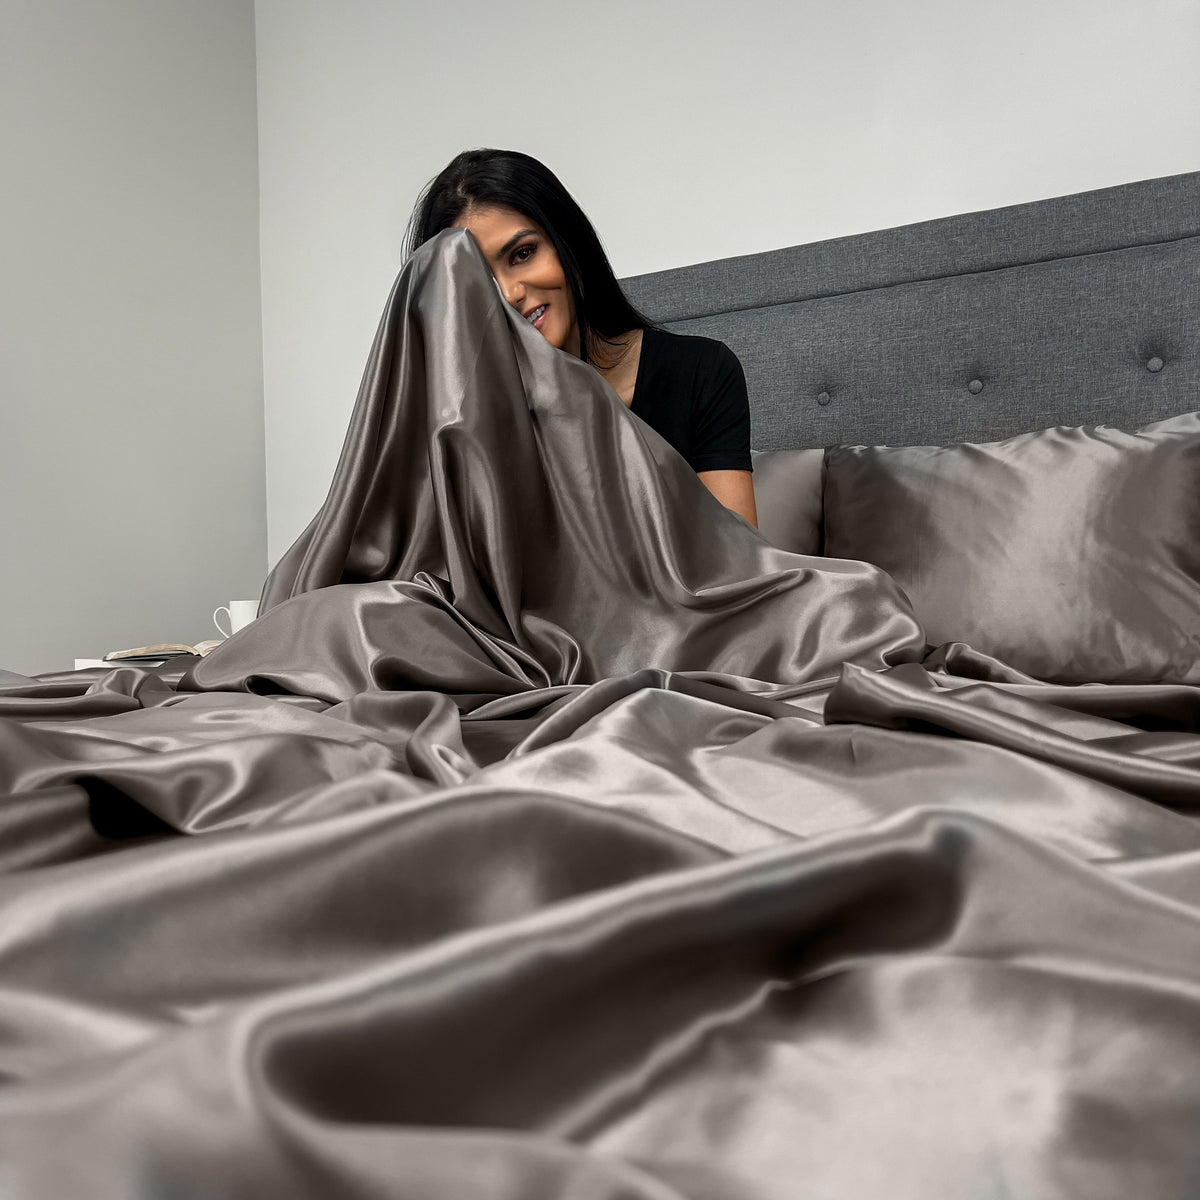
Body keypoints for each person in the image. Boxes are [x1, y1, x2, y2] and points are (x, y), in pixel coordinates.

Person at [405, 149, 758, 527]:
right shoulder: (467, 422)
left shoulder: (700, 373)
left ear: (568, 243)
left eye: (523, 253)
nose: (508, 295)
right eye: (478, 282)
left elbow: (742, 564)